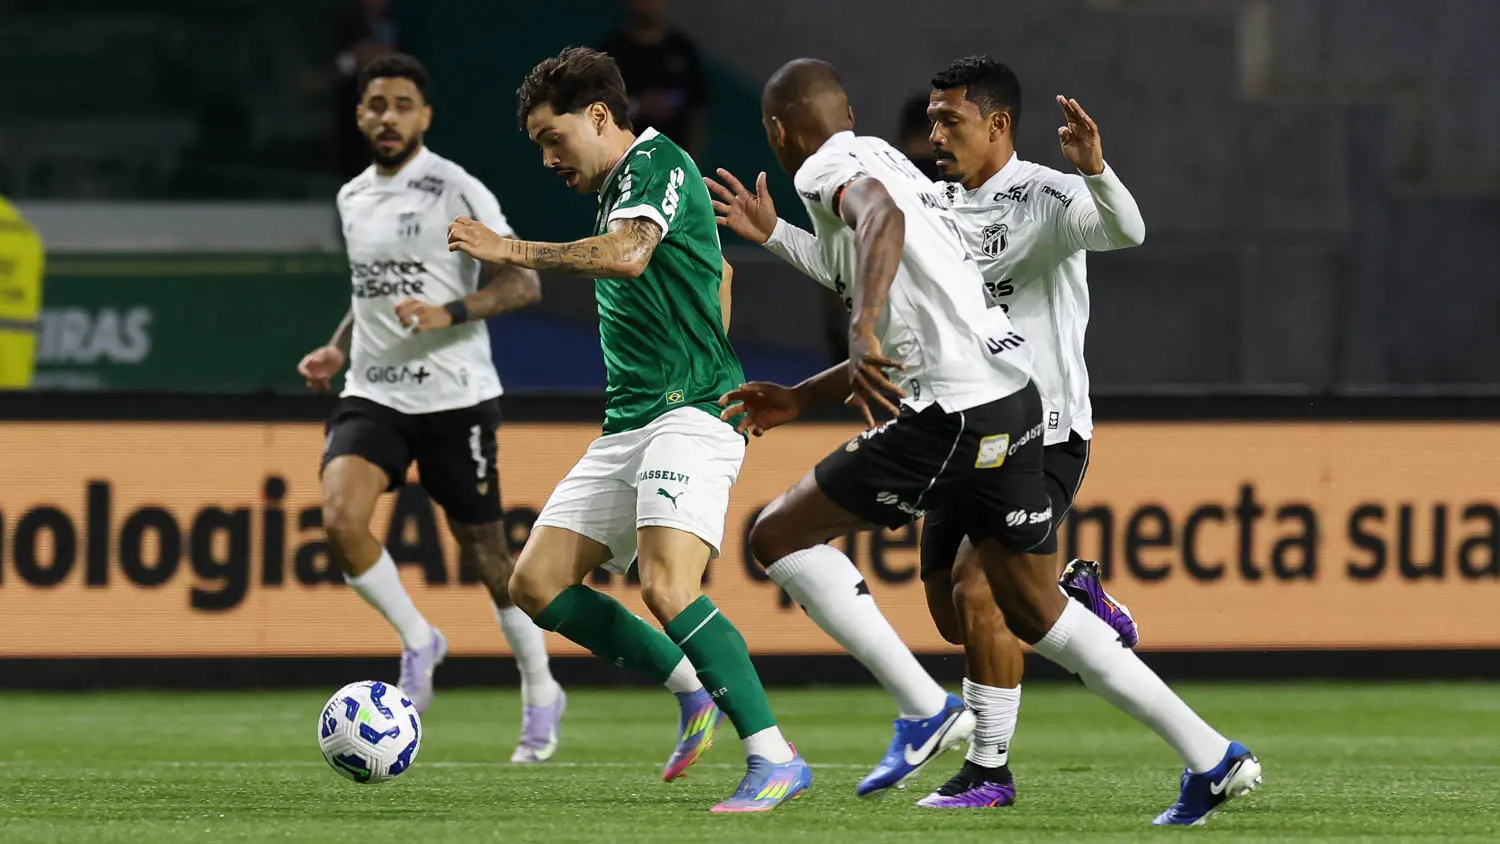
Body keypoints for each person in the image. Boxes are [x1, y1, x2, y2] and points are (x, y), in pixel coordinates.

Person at [715, 57, 1263, 827]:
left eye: (950, 121)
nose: (936, 136)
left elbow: (1122, 230)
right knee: (977, 614)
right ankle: (1210, 753)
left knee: (940, 582)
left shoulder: (1039, 194)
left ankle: (970, 752)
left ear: (998, 123)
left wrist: (1097, 172)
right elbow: (875, 277)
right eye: (931, 122)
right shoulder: (925, 192)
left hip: (1026, 422)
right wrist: (779, 243)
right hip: (988, 402)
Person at [445, 46, 810, 813]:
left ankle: (775, 758)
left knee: (668, 586)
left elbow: (631, 254)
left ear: (599, 116)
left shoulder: (654, 163)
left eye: (553, 139)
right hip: (631, 421)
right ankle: (692, 688)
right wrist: (709, 345)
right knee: (535, 583)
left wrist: (510, 250)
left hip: (690, 414)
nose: (549, 158)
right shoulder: (619, 188)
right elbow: (721, 274)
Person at [297, 54, 568, 766]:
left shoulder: (456, 188)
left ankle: (540, 688)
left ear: (425, 116)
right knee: (340, 520)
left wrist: (448, 311)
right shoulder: (352, 196)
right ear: (360, 115)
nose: (388, 116)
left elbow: (524, 284)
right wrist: (336, 347)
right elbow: (371, 290)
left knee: (489, 558)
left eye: (402, 104)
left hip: (454, 397)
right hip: (373, 391)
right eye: (376, 104)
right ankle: (420, 638)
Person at [596, 0, 711, 161]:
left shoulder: (683, 50)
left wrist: (692, 162)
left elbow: (696, 113)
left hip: (672, 161)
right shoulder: (611, 51)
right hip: (624, 160)